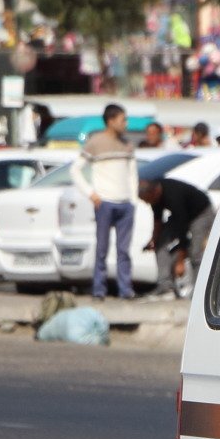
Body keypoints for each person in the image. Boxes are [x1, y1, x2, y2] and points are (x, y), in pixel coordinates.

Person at [73, 104, 139, 300]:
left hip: (125, 204)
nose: (125, 124)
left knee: (124, 250)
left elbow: (132, 174)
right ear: (110, 121)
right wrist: (91, 194)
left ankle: (125, 290)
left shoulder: (127, 144)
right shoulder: (95, 142)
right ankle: (99, 290)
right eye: (122, 120)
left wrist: (133, 200)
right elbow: (75, 170)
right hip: (105, 203)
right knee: (102, 249)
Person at [139, 176, 214, 299]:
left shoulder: (173, 196)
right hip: (181, 217)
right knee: (161, 244)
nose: (147, 203)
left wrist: (180, 261)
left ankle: (199, 292)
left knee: (196, 253)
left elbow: (182, 230)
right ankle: (165, 287)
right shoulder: (155, 198)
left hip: (200, 213)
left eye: (147, 200)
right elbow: (158, 220)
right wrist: (154, 239)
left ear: (154, 193)